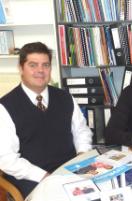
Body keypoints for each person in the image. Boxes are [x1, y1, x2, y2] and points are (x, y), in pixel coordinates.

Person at [0, 42, 93, 198]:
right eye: (33, 65)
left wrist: (82, 155)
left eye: (46, 65)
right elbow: (6, 158)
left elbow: (81, 130)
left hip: (69, 171)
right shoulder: (5, 107)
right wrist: (44, 176)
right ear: (21, 68)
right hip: (32, 179)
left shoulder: (65, 97)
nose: (40, 71)